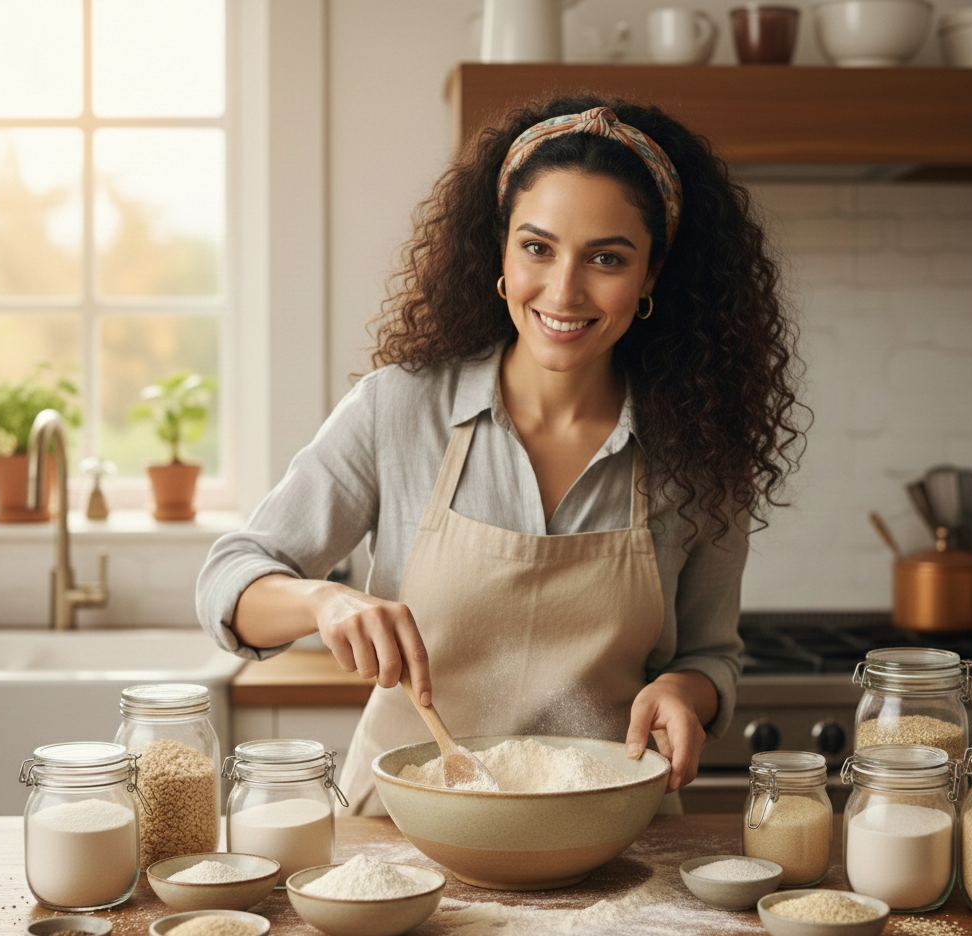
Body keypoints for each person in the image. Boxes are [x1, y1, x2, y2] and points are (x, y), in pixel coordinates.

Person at [197, 94, 805, 815]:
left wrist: (684, 691)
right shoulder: (399, 409)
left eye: (607, 258)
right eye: (537, 248)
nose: (564, 291)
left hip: (610, 833)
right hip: (402, 835)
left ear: (651, 276)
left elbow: (710, 655)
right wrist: (322, 600)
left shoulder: (699, 448)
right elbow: (228, 583)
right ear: (501, 252)